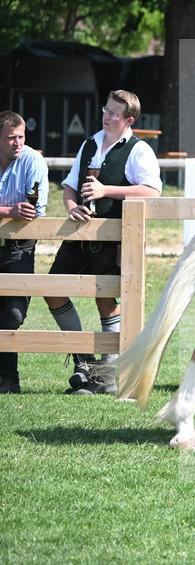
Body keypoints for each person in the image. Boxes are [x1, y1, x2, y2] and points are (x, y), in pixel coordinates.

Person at [45, 90, 161, 395]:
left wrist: (105, 190)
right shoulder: (90, 144)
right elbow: (69, 188)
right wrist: (71, 207)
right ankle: (85, 362)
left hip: (113, 238)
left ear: (129, 120)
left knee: (106, 300)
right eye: (105, 110)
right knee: (52, 289)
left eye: (113, 113)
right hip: (79, 235)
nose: (106, 116)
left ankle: (107, 379)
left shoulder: (139, 150)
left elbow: (152, 191)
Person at [0, 111, 48, 394]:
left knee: (14, 315)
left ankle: (8, 377)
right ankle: (9, 381)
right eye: (11, 138)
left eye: (21, 137)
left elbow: (35, 211)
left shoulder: (33, 160)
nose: (18, 143)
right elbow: (18, 211)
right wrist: (9, 210)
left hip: (19, 246)